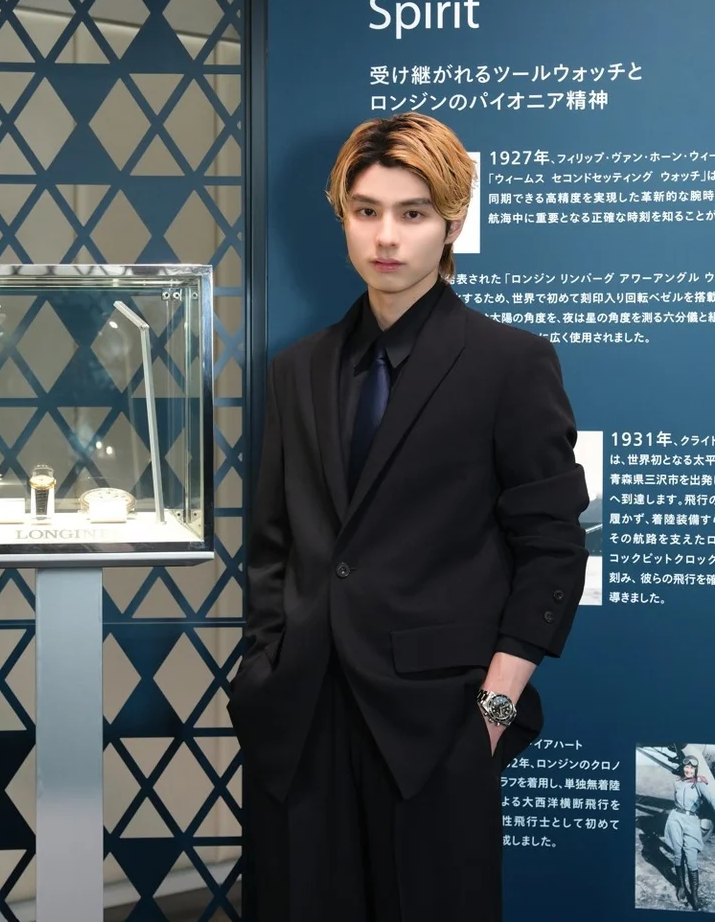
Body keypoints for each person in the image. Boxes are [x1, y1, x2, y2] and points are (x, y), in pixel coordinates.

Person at [228, 112, 589, 921]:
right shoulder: (297, 369)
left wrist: (493, 712)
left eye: (412, 213)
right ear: (343, 218)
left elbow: (554, 547)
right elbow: (273, 545)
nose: (385, 236)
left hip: (439, 723)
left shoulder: (510, 363)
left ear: (452, 223)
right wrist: (262, 671)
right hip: (300, 719)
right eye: (366, 211)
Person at [664, 755, 715, 910]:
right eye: (686, 767)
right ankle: (681, 886)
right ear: (683, 767)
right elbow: (676, 800)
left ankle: (695, 896)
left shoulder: (700, 784)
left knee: (691, 858)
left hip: (691, 821)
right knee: (678, 854)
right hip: (675, 819)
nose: (688, 770)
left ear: (695, 770)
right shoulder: (677, 783)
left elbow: (711, 802)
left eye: (692, 768)